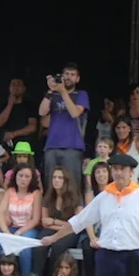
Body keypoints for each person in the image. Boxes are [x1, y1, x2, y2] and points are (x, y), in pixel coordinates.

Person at [0, 163, 42, 276]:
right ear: (15, 176)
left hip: (28, 228)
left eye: (27, 176)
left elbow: (35, 219)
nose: (23, 179)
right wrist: (6, 231)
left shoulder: (36, 193)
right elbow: (0, 213)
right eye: (20, 175)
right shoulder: (10, 191)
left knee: (25, 246)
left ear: (32, 179)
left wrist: (19, 232)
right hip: (11, 227)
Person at [39, 63, 89, 192]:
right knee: (51, 185)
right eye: (66, 74)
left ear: (77, 79)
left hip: (72, 146)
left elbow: (75, 113)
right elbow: (42, 112)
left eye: (72, 75)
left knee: (72, 185)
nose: (69, 77)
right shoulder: (54, 95)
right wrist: (50, 90)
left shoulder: (81, 94)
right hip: (52, 145)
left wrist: (63, 92)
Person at [0, 77, 38, 150]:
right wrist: (10, 104)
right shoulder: (3, 105)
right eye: (13, 85)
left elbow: (32, 127)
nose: (15, 87)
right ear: (9, 88)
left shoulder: (30, 105)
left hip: (24, 145)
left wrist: (14, 134)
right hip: (7, 145)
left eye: (18, 85)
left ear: (24, 89)